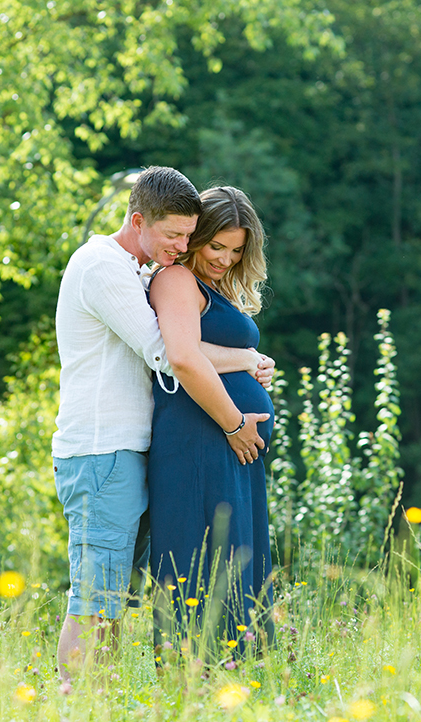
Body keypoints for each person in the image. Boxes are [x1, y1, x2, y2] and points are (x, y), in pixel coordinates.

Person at [52, 168, 272, 680]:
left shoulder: (137, 271)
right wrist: (245, 362)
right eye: (174, 236)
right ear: (138, 220)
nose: (182, 246)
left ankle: (98, 705)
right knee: (96, 599)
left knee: (116, 597)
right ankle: (79, 708)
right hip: (102, 452)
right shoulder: (103, 267)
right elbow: (171, 354)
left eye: (186, 235)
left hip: (131, 452)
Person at [147, 186, 276, 658]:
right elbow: (178, 353)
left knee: (233, 563)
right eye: (216, 245)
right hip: (204, 437)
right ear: (196, 236)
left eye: (237, 250)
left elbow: (214, 353)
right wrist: (235, 415)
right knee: (203, 560)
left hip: (230, 446)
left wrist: (251, 364)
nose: (224, 259)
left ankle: (232, 687)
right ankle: (194, 681)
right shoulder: (177, 279)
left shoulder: (212, 286)